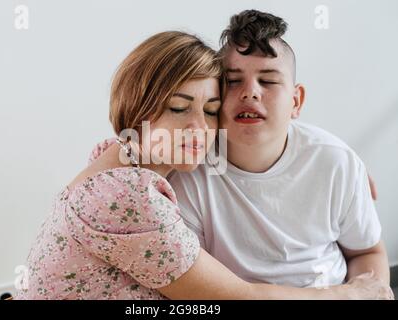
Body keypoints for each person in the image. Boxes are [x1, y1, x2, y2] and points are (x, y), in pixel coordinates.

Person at [16, 30, 392, 300]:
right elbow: (236, 299)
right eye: (179, 108)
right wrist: (353, 295)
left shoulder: (124, 155)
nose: (199, 127)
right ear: (138, 106)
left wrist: (342, 164)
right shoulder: (133, 199)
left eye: (211, 110)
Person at [167, 10, 393, 295]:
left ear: (296, 101)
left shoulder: (336, 161)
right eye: (233, 81)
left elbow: (367, 253)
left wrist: (371, 291)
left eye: (269, 81)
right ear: (213, 96)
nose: (250, 92)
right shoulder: (189, 173)